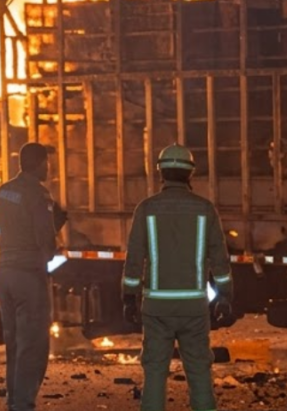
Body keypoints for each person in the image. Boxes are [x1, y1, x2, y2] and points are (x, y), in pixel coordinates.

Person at [122, 143, 233, 411]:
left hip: (157, 309)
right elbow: (219, 258)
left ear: (161, 173)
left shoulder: (146, 209)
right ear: (190, 174)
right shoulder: (205, 209)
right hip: (194, 308)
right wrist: (225, 296)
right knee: (199, 373)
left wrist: (128, 298)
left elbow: (134, 259)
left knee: (155, 374)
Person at [0, 142, 57, 411]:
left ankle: (13, 399)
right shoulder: (38, 194)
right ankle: (23, 403)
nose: (48, 167)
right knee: (33, 343)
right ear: (39, 163)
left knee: (15, 340)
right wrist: (47, 254)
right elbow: (46, 237)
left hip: (3, 272)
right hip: (27, 274)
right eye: (46, 162)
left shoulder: (3, 191)